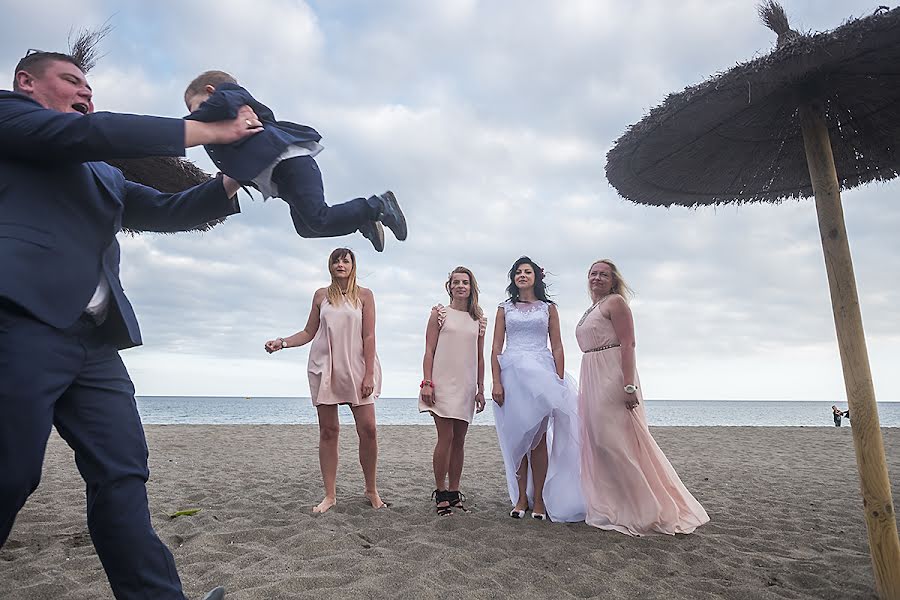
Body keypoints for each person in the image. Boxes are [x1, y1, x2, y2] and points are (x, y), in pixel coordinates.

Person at [0, 50, 261, 600]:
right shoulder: (9, 119)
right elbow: (95, 132)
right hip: (19, 321)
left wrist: (234, 177)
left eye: (90, 89)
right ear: (26, 83)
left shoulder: (103, 173)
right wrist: (208, 128)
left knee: (123, 478)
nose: (85, 94)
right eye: (71, 81)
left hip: (95, 345)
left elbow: (170, 211)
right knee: (10, 473)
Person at [183, 71, 407, 252]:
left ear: (210, 92)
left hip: (292, 163)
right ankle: (360, 220)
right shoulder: (227, 131)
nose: (196, 116)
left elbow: (221, 104)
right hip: (283, 182)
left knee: (317, 218)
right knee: (306, 228)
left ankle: (379, 205)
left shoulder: (230, 98)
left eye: (195, 108)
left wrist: (181, 127)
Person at [577, 259, 709, 536]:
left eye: (603, 274)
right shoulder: (593, 308)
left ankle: (646, 508)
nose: (597, 278)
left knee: (615, 443)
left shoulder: (616, 303)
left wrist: (628, 385)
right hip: (591, 373)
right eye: (593, 274)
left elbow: (628, 343)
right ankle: (619, 505)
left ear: (613, 281)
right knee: (600, 443)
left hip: (612, 374)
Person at [265, 248, 386, 512]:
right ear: (330, 266)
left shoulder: (365, 295)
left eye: (346, 260)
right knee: (329, 431)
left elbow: (369, 336)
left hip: (357, 367)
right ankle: (329, 495)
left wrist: (369, 374)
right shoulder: (321, 295)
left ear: (353, 265)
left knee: (369, 430)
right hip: (326, 366)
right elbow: (309, 331)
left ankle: (371, 490)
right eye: (336, 260)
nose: (341, 264)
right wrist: (282, 342)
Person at [490, 257, 585, 522]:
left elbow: (557, 346)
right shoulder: (504, 308)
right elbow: (496, 348)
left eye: (527, 272)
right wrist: (496, 381)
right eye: (518, 272)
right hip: (512, 376)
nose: (522, 275)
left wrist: (558, 380)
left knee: (539, 439)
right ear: (513, 278)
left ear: (536, 277)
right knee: (517, 438)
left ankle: (540, 498)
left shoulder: (549, 308)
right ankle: (521, 497)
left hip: (542, 375)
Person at [419, 267, 487, 516]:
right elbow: (429, 350)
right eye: (456, 282)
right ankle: (440, 492)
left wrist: (481, 388)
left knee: (459, 440)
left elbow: (479, 357)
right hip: (442, 383)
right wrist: (427, 381)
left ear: (471, 287)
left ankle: (455, 492)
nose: (461, 286)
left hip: (467, 385)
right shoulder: (440, 314)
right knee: (445, 438)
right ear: (450, 286)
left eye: (465, 282)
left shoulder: (478, 319)